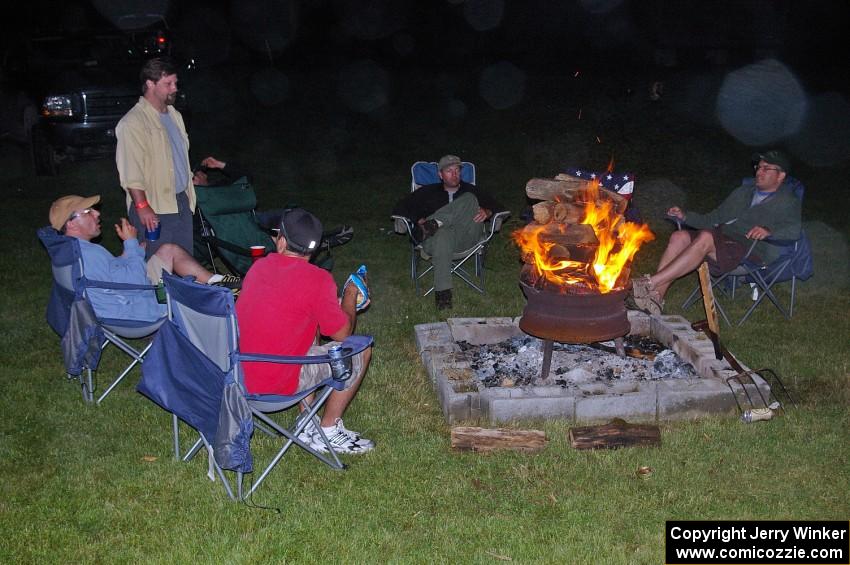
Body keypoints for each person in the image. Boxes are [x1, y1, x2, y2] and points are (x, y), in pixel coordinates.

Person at [235, 208, 374, 454]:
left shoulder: (258, 268)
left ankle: (306, 421)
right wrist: (351, 295)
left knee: (308, 323)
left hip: (239, 375)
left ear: (282, 241)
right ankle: (328, 430)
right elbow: (343, 334)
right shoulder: (318, 280)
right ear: (313, 249)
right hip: (277, 385)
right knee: (361, 349)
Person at [631, 150, 802, 315]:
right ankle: (655, 299)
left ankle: (649, 283)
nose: (759, 171)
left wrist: (769, 231)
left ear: (781, 176)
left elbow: (794, 231)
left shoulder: (788, 201)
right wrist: (685, 216)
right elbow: (713, 218)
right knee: (679, 236)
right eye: (759, 167)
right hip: (721, 240)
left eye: (766, 168)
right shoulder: (742, 193)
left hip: (751, 251)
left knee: (706, 236)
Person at [49, 194, 240, 323]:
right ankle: (223, 297)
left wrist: (130, 253)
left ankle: (219, 283)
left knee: (168, 250)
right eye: (88, 212)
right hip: (133, 307)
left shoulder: (72, 250)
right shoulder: (90, 253)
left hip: (116, 301)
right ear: (71, 224)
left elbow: (107, 274)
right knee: (186, 288)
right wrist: (131, 246)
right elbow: (135, 282)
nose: (97, 213)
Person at [391, 154, 506, 309]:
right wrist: (418, 219)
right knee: (442, 234)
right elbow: (400, 207)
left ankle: (434, 223)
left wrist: (488, 211)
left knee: (470, 199)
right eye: (449, 171)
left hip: (466, 236)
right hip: (436, 240)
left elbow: (501, 208)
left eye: (457, 170)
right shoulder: (427, 191)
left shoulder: (471, 190)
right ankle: (443, 296)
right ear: (440, 175)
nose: (454, 174)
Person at [116, 57, 195, 259]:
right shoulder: (133, 122)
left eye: (175, 83)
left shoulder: (174, 115)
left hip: (180, 201)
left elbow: (176, 156)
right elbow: (130, 171)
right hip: (155, 205)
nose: (174, 88)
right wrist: (142, 207)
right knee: (157, 266)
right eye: (168, 84)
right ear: (150, 84)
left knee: (185, 261)